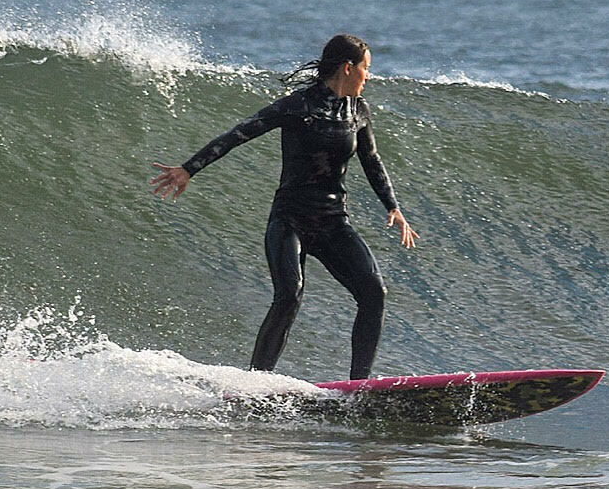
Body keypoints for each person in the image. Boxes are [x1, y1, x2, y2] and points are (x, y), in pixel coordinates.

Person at [150, 34, 419, 380]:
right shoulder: (298, 106)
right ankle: (256, 383)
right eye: (366, 69)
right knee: (289, 295)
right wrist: (189, 168)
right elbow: (239, 133)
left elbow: (372, 160)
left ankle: (360, 386)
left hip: (333, 221)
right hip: (290, 219)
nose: (369, 77)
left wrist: (392, 206)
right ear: (348, 68)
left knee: (373, 293)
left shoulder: (358, 111)